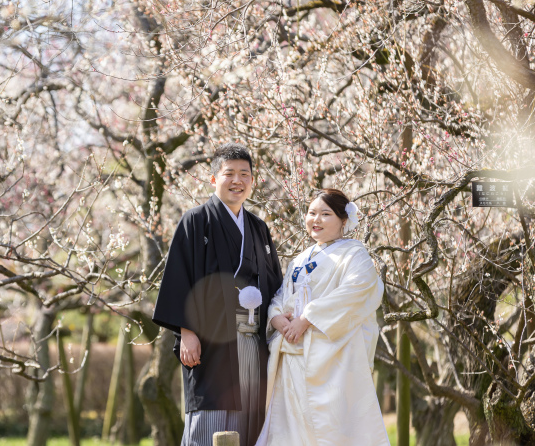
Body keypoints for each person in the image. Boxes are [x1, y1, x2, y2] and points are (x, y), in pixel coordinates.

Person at [152, 143, 284, 446]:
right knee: (210, 417)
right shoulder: (196, 221)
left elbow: (274, 285)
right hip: (211, 340)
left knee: (252, 415)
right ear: (214, 179)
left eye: (244, 174)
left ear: (252, 180)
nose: (237, 181)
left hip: (253, 338)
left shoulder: (258, 228)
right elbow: (178, 277)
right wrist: (186, 332)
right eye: (229, 174)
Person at [254, 189, 389, 446]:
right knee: (288, 431)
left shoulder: (355, 254)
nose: (316, 219)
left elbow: (357, 291)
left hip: (332, 361)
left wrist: (307, 318)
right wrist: (276, 318)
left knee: (333, 431)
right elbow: (282, 296)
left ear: (344, 220)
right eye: (311, 213)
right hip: (292, 359)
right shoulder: (300, 259)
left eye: (325, 214)